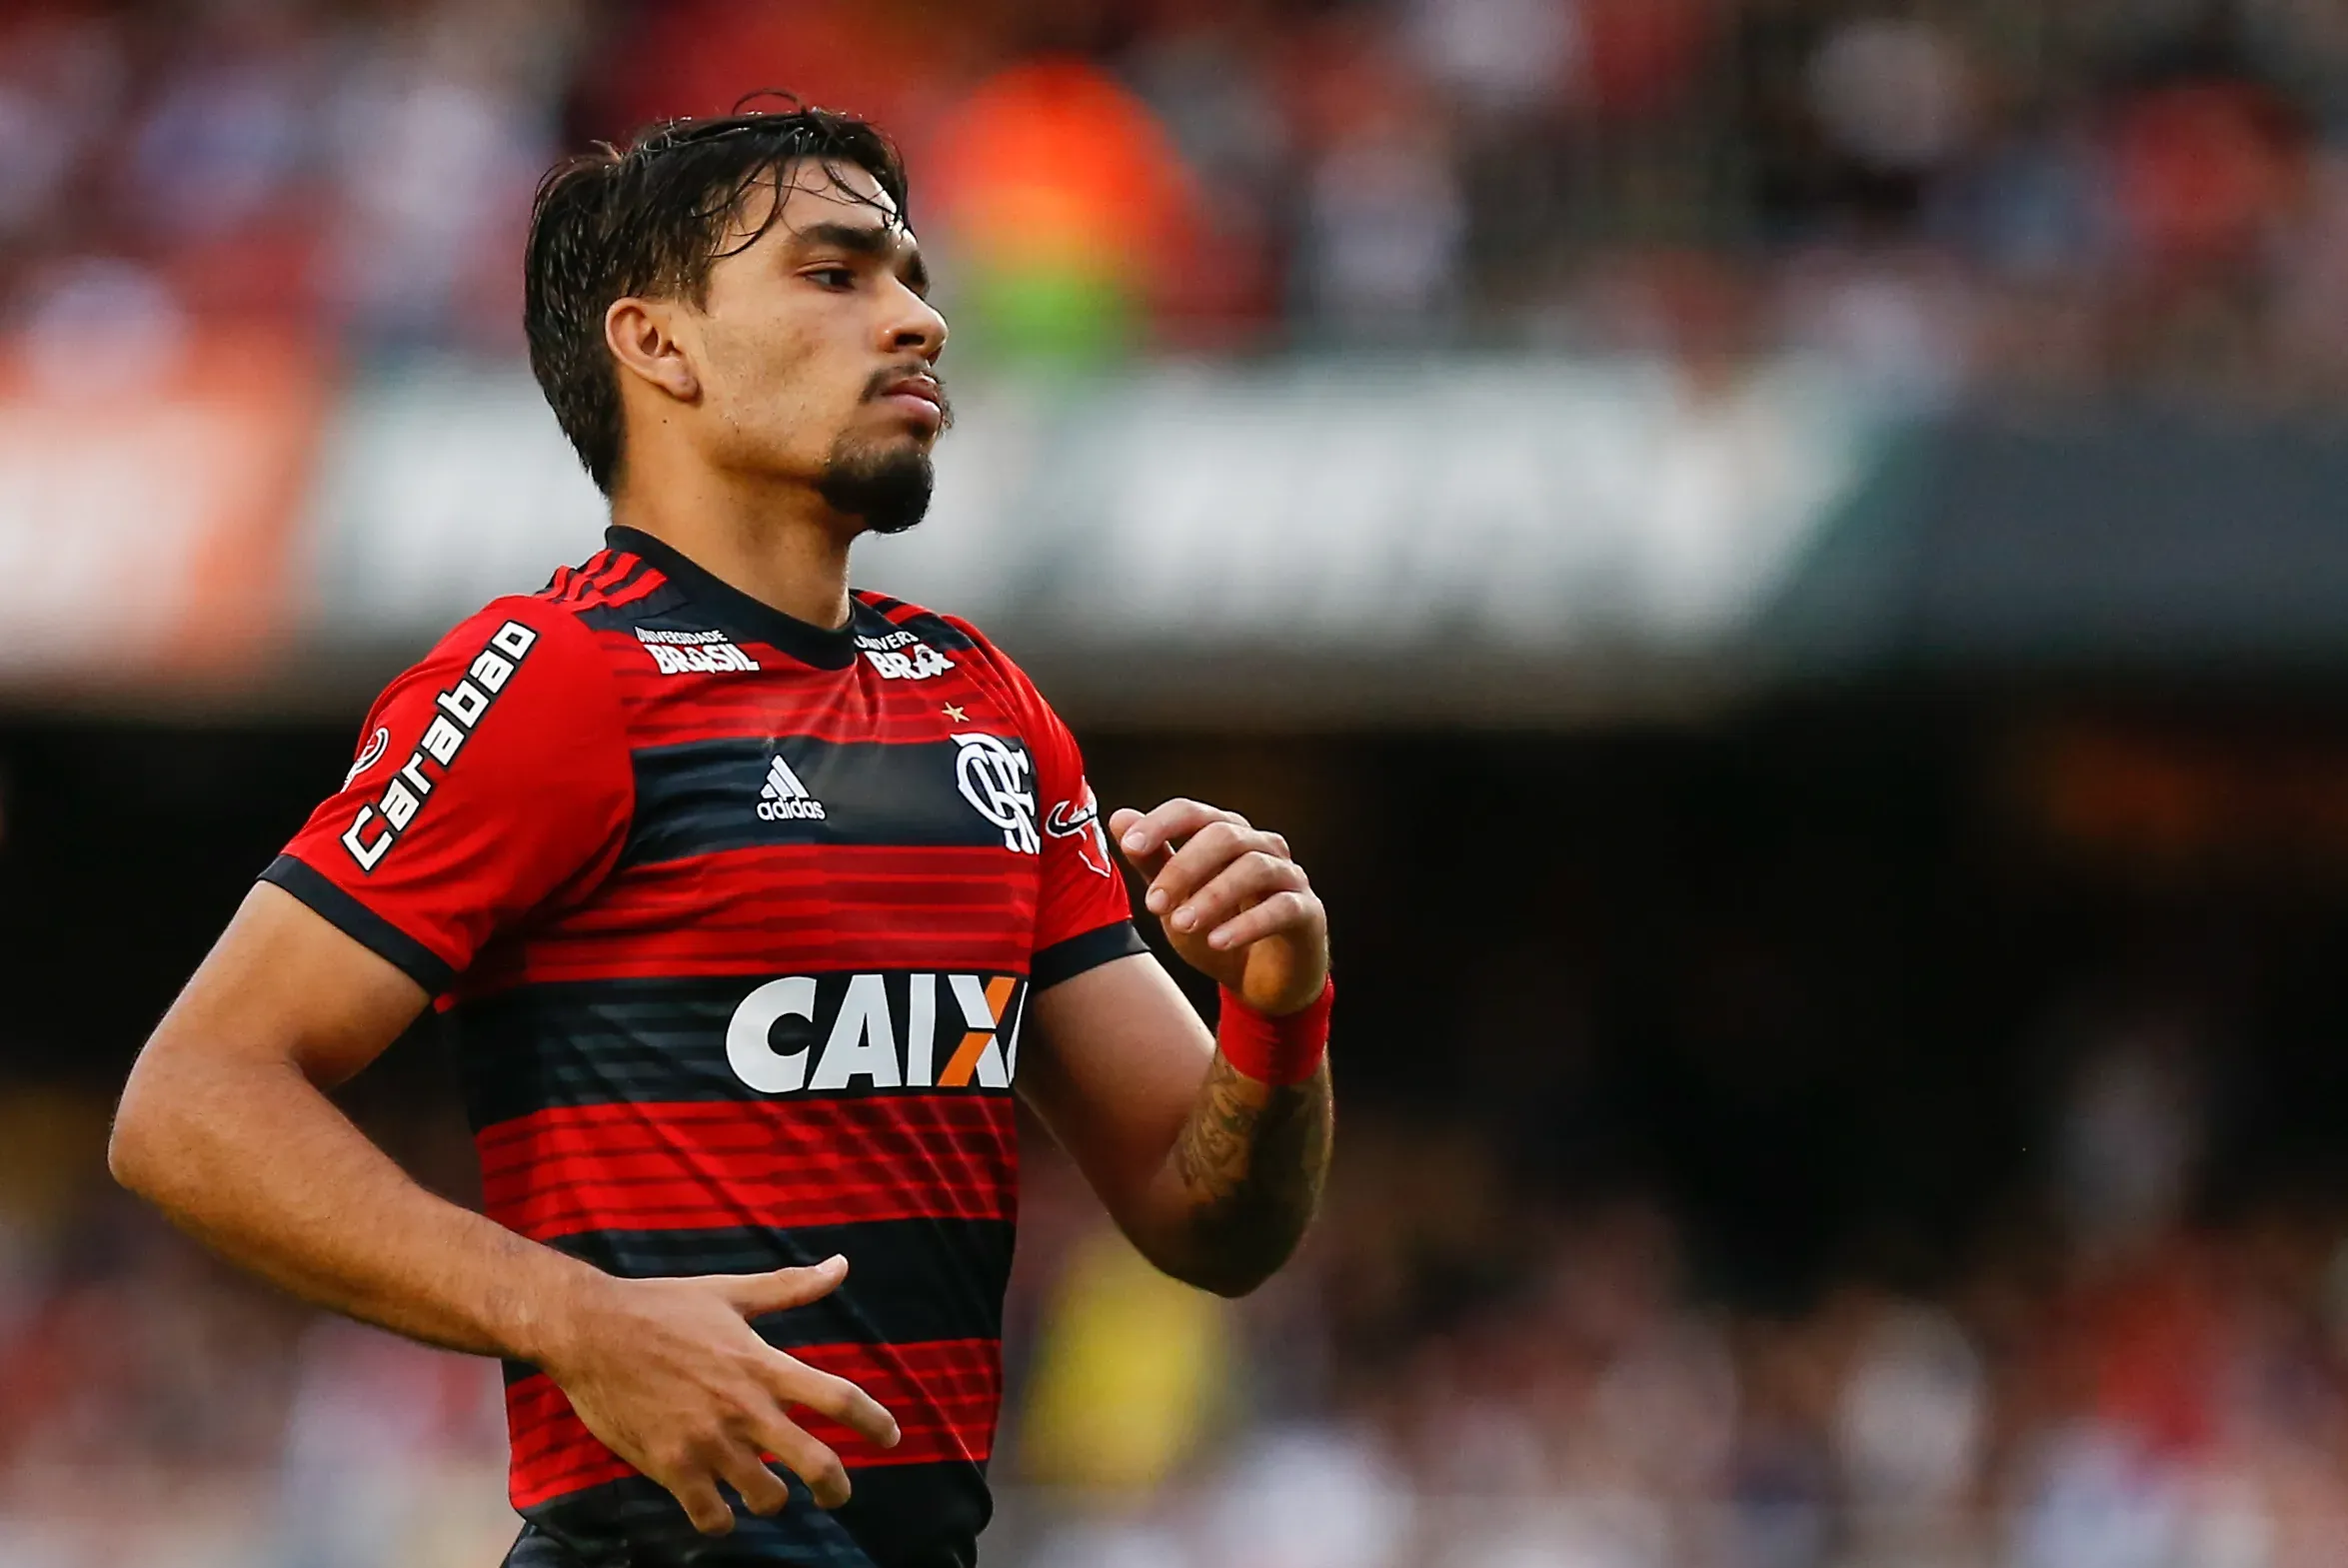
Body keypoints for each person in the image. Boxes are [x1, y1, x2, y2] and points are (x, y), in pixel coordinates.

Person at [108, 105, 1334, 1568]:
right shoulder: (560, 680)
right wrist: (573, 1319)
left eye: (911, 277)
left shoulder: (985, 705)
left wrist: (1278, 1010)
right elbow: (190, 1103)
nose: (920, 320)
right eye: (835, 274)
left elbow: (1212, 1224)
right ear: (659, 345)